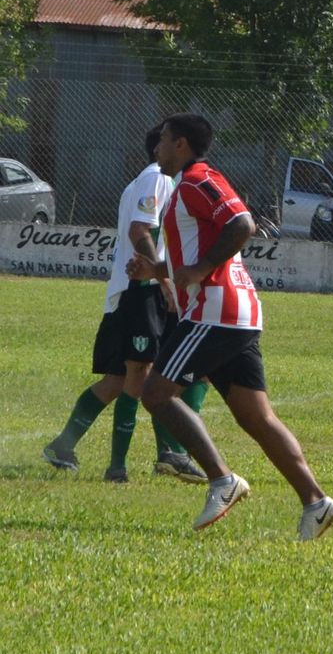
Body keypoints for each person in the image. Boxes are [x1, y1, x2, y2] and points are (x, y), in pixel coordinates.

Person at [126, 113, 333, 541]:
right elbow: (198, 250)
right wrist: (159, 269)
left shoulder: (197, 181)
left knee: (154, 392)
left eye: (164, 141)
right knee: (256, 418)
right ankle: (316, 502)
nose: (157, 149)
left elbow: (242, 225)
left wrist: (201, 269)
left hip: (215, 311)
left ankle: (222, 480)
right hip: (233, 312)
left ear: (182, 145)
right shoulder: (185, 187)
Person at [41, 124, 210, 484]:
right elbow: (140, 230)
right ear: (163, 149)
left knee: (123, 378)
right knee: (140, 375)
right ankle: (119, 466)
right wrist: (163, 281)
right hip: (141, 290)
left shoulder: (160, 181)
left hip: (141, 289)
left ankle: (63, 445)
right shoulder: (155, 180)